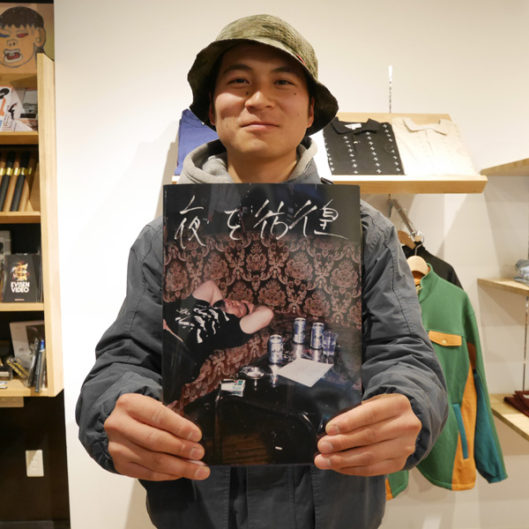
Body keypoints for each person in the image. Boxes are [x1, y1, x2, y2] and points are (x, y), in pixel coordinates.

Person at [76, 14, 448, 529]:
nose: (259, 99)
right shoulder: (164, 238)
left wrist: (410, 405)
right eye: (238, 81)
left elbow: (405, 351)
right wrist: (114, 411)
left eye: (283, 82)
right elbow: (123, 358)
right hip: (199, 507)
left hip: (333, 506)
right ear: (212, 107)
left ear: (310, 109)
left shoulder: (368, 233)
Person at [163, 279, 274, 406]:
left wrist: (253, 307)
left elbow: (266, 314)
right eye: (236, 301)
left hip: (173, 345)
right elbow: (210, 285)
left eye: (239, 308)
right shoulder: (200, 306)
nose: (235, 302)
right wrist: (221, 304)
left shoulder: (229, 327)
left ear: (240, 319)